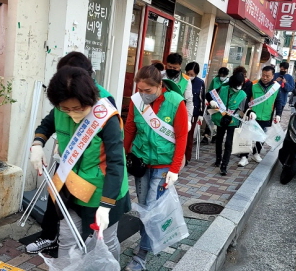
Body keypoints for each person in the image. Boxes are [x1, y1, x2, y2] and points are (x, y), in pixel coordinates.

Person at [29, 66, 130, 262]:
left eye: (77, 108)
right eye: (65, 109)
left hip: (103, 191)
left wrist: (106, 205)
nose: (71, 113)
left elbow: (116, 163)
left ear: (89, 100)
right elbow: (46, 125)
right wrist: (37, 144)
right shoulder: (60, 108)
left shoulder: (107, 118)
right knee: (68, 239)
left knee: (105, 243)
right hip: (71, 186)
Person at [123, 65, 187, 271]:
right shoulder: (136, 101)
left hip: (163, 166)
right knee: (144, 209)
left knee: (151, 209)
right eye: (140, 90)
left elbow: (181, 137)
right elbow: (130, 128)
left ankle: (142, 255)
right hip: (142, 162)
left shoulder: (175, 103)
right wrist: (123, 156)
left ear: (160, 85)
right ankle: (148, 243)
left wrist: (175, 170)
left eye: (147, 91)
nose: (143, 94)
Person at [238, 66, 283, 167]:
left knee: (262, 137)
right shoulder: (253, 84)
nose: (265, 78)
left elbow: (279, 102)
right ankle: (244, 157)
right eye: (263, 75)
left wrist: (278, 114)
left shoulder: (276, 87)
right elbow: (244, 100)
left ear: (273, 76)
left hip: (266, 116)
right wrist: (249, 112)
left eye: (268, 76)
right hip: (252, 116)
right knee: (247, 137)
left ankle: (256, 153)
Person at [208, 73, 247, 175]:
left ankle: (224, 165)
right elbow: (208, 95)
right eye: (236, 84)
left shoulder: (243, 94)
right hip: (221, 119)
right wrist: (212, 101)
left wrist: (250, 113)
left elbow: (244, 109)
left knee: (229, 143)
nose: (238, 87)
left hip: (233, 121)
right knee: (219, 139)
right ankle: (218, 159)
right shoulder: (223, 89)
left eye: (240, 84)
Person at [161, 53, 193, 126]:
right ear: (166, 64)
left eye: (175, 68)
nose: (172, 69)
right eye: (170, 67)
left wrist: (188, 120)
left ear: (180, 66)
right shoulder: (159, 75)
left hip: (176, 114)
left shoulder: (186, 80)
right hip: (159, 111)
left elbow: (189, 101)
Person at [184, 62, 205, 164]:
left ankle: (186, 157)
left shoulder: (200, 83)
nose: (189, 76)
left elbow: (201, 99)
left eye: (192, 75)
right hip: (182, 110)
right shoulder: (182, 80)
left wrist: (201, 114)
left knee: (189, 135)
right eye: (188, 74)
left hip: (194, 113)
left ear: (196, 74)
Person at [202, 67, 230, 144]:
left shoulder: (228, 82)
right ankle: (206, 136)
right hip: (213, 103)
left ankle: (215, 136)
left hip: (222, 105)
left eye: (224, 75)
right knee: (210, 119)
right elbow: (210, 90)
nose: (222, 76)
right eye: (221, 75)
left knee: (218, 120)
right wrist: (209, 100)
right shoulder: (215, 80)